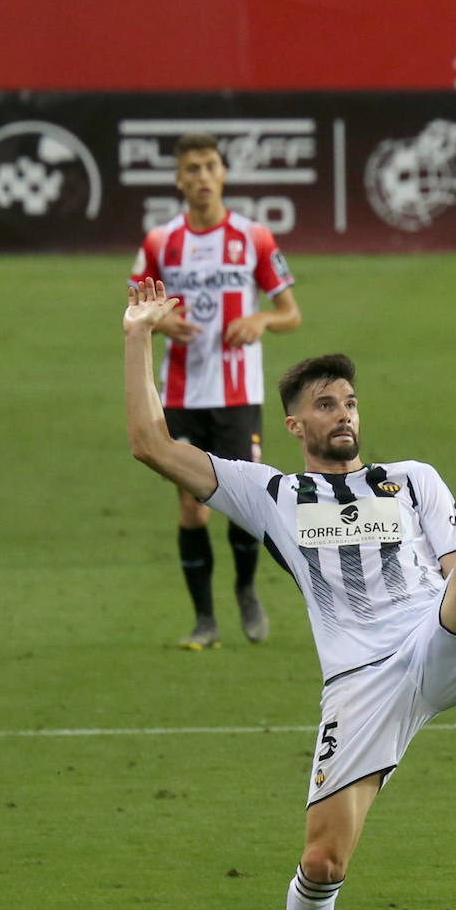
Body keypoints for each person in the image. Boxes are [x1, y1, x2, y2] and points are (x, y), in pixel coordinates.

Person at [122, 279, 456, 910]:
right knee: (322, 862)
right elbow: (151, 443)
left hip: (438, 636)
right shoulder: (272, 492)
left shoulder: (412, 478)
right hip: (360, 681)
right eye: (325, 403)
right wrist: (138, 332)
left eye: (349, 400)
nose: (343, 412)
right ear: (294, 425)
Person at [129, 131, 302, 651]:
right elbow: (136, 311)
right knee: (191, 506)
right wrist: (161, 324)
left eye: (209, 166)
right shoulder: (160, 242)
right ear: (179, 179)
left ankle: (246, 589)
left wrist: (260, 320)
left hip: (238, 395)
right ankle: (205, 619)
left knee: (244, 503)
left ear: (223, 174)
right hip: (180, 395)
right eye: (192, 168)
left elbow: (291, 313)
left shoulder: (253, 237)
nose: (202, 177)